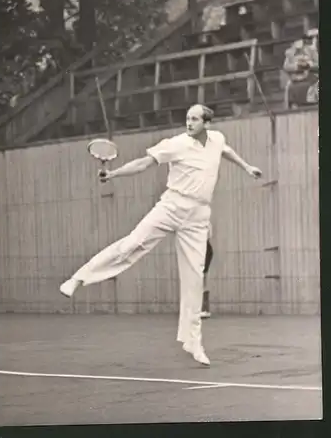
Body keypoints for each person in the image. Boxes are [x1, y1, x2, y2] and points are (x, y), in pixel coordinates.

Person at [60, 104, 262, 366]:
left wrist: (247, 167)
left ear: (207, 124)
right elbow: (144, 163)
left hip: (199, 215)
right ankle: (78, 278)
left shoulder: (217, 139)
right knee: (131, 245)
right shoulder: (176, 143)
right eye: (187, 118)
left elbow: (225, 150)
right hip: (171, 206)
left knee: (194, 279)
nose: (189, 123)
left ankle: (194, 343)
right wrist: (113, 173)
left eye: (194, 119)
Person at [283, 34, 319, 109]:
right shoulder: (290, 53)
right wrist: (297, 66)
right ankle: (293, 106)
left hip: (311, 77)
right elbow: (286, 67)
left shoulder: (311, 51)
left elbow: (318, 64)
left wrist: (309, 65)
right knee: (289, 87)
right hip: (296, 79)